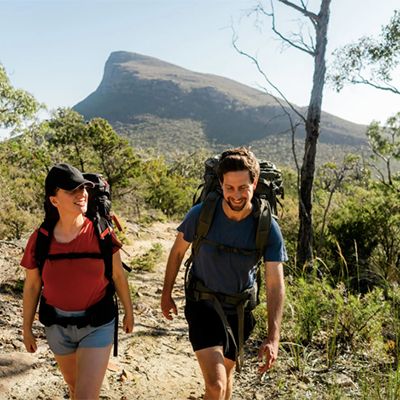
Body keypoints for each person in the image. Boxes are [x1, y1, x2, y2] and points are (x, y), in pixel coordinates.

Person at [161, 147, 286, 400]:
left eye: (243, 188)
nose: (236, 195)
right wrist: (166, 294)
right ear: (221, 184)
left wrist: (274, 337)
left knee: (226, 377)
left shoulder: (267, 227)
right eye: (230, 188)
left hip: (240, 312)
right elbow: (176, 254)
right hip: (202, 304)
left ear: (255, 182)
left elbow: (275, 284)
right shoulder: (201, 215)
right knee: (216, 385)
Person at [21, 163, 134, 400]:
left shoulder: (102, 233)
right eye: (72, 190)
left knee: (84, 396)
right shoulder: (41, 239)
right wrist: (27, 328)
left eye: (83, 189)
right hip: (57, 328)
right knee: (74, 389)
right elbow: (32, 286)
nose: (81, 194)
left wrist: (129, 312)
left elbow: (117, 275)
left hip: (98, 324)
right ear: (54, 200)